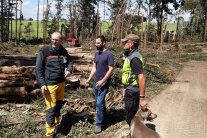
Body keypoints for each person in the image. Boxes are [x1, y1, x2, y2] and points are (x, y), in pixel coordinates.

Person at [36, 32, 73, 138]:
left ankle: (56, 125)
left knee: (58, 106)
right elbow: (38, 70)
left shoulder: (63, 51)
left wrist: (69, 70)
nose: (53, 41)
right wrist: (42, 83)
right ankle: (50, 133)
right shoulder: (44, 52)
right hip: (50, 85)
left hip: (61, 83)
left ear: (61, 40)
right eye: (52, 39)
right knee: (51, 109)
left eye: (56, 40)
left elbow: (69, 61)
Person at [85, 36, 114, 134]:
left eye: (98, 43)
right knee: (100, 103)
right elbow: (94, 67)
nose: (96, 44)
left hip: (104, 83)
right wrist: (89, 79)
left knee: (99, 103)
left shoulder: (109, 54)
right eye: (96, 43)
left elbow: (111, 69)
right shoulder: (97, 54)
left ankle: (99, 124)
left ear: (104, 43)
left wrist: (102, 81)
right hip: (96, 82)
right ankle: (104, 120)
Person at [121, 34, 147, 127]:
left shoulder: (134, 58)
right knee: (130, 117)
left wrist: (142, 99)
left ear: (131, 44)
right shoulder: (131, 55)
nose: (123, 43)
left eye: (125, 42)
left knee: (131, 118)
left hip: (133, 91)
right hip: (130, 89)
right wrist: (125, 88)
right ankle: (132, 134)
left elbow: (141, 78)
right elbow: (130, 74)